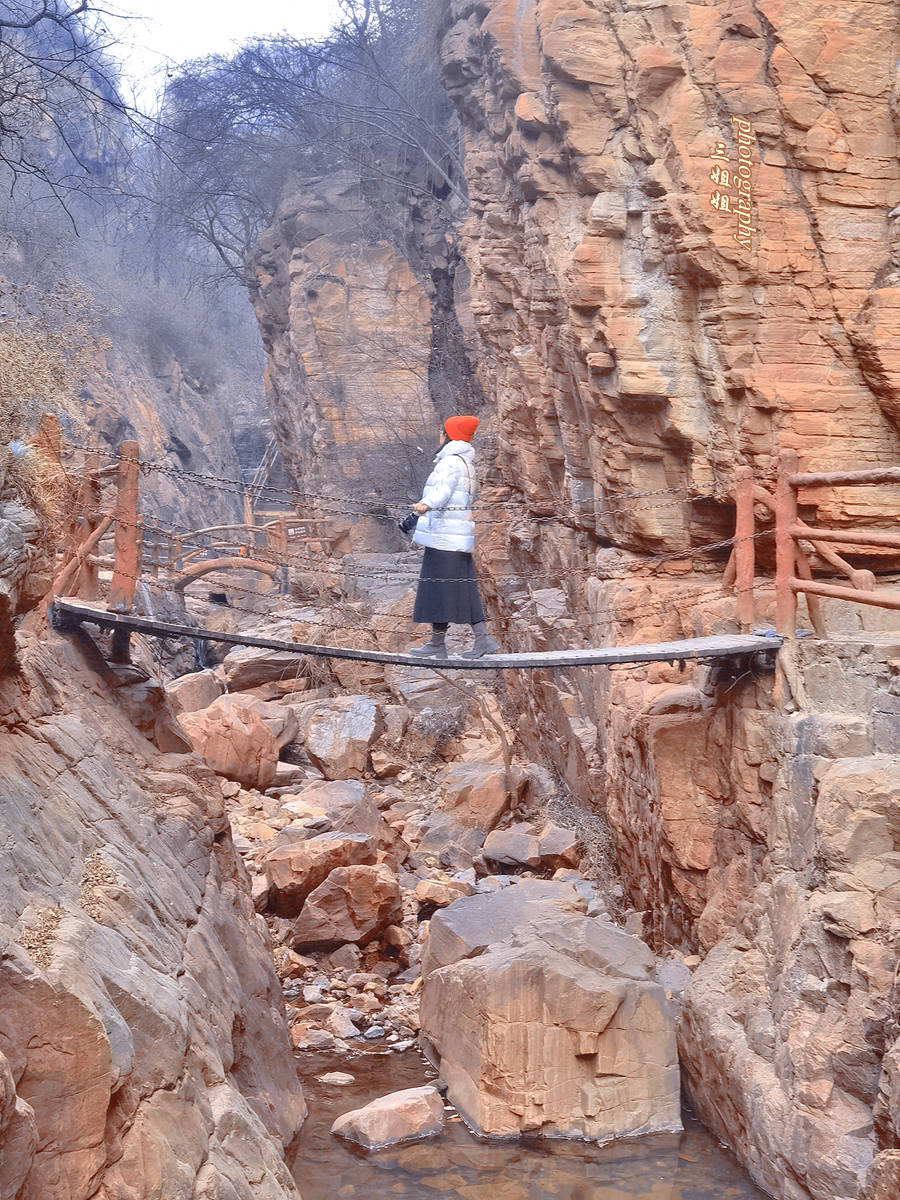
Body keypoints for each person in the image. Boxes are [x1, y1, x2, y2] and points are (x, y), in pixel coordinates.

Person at [408, 414, 499, 658]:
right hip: (455, 536)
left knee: (440, 588)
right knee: (455, 587)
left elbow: (443, 490)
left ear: (449, 435)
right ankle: (474, 640)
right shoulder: (465, 460)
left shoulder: (450, 461)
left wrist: (425, 504)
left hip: (445, 536)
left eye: (443, 430)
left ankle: (459, 642)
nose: (440, 434)